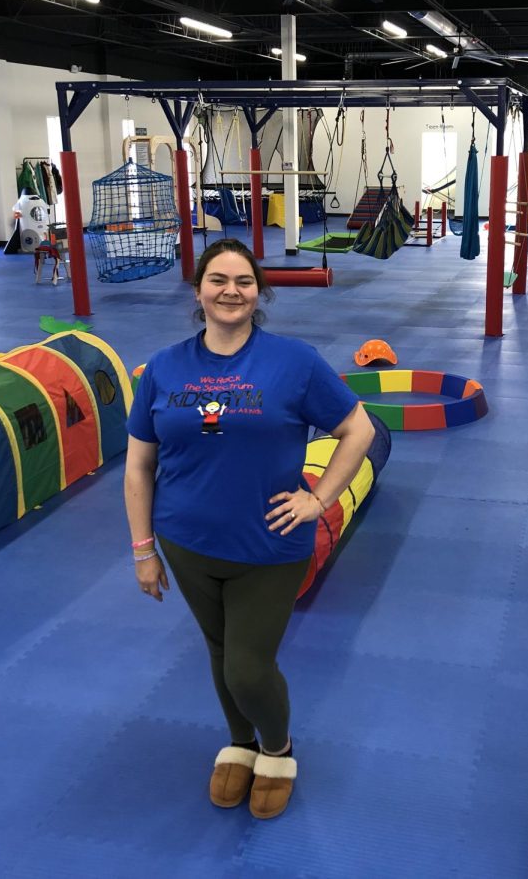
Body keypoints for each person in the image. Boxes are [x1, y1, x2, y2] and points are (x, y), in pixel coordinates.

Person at [124, 238, 375, 820]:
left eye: (243, 281)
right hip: (185, 541)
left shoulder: (294, 362)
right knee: (220, 653)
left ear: (259, 292)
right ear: (199, 291)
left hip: (268, 543)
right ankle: (240, 744)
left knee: (247, 664)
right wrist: (143, 549)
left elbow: (358, 430)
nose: (230, 291)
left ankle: (278, 751)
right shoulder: (165, 367)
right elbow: (139, 465)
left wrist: (319, 499)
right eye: (218, 280)